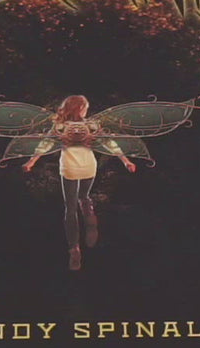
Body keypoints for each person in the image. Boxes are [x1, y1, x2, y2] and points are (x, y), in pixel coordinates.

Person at [22, 95, 135, 270]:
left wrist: (31, 162)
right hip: (86, 166)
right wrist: (125, 160)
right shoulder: (90, 125)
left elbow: (45, 144)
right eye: (85, 108)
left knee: (70, 206)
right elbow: (109, 142)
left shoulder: (61, 126)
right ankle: (88, 220)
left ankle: (74, 247)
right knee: (83, 196)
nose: (86, 111)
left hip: (71, 168)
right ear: (80, 108)